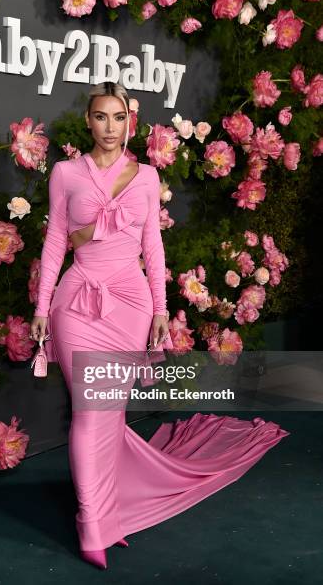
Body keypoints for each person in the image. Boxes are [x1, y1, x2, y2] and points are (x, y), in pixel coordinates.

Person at [30, 82, 290, 570]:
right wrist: (43, 307)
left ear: (131, 121)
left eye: (118, 118)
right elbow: (53, 246)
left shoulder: (146, 177)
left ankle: (110, 514)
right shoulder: (66, 174)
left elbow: (154, 249)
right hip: (77, 304)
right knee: (91, 413)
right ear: (87, 121)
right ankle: (92, 524)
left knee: (110, 413)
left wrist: (159, 310)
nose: (110, 128)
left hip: (130, 304)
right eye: (100, 117)